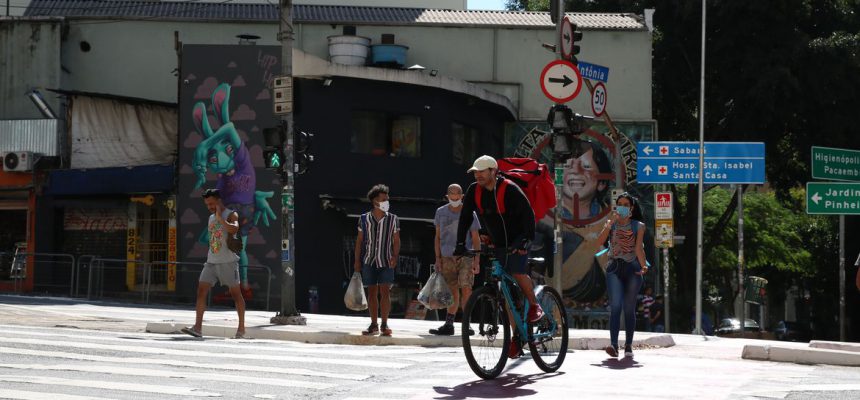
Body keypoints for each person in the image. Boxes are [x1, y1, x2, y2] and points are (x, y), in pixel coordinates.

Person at [454, 155, 543, 359]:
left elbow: (528, 214)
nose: (477, 175)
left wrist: (526, 240)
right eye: (475, 172)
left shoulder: (510, 189)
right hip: (498, 242)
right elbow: (466, 217)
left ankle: (535, 306)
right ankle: (517, 338)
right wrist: (460, 244)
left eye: (482, 171)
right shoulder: (473, 191)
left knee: (517, 272)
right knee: (505, 296)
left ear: (493, 171)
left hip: (519, 238)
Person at [182, 188, 246, 339]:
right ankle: (197, 328)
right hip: (211, 261)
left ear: (219, 200)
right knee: (201, 291)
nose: (209, 207)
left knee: (236, 295)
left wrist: (220, 218)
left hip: (228, 262)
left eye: (211, 203)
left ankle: (241, 330)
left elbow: (234, 228)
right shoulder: (211, 218)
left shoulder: (230, 214)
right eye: (207, 204)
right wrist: (215, 217)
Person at [595, 192, 648, 358]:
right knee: (616, 306)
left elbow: (639, 248)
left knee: (629, 308)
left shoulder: (639, 226)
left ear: (631, 208)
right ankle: (613, 344)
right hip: (614, 268)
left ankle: (629, 345)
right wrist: (610, 223)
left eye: (626, 204)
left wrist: (644, 265)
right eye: (620, 204)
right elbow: (599, 242)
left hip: (633, 268)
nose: (623, 207)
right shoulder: (611, 224)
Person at [430, 184, 481, 336]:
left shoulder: (469, 212)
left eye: (457, 194)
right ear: (447, 196)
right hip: (446, 256)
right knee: (451, 291)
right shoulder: (441, 212)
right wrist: (437, 258)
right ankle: (449, 323)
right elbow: (437, 237)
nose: (454, 197)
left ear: (462, 195)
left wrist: (477, 260)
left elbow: (475, 237)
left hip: (466, 255)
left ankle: (467, 324)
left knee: (466, 289)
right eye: (451, 194)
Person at [354, 184, 400, 337]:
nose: (387, 201)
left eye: (387, 199)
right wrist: (357, 261)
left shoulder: (393, 219)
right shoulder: (364, 219)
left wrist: (395, 256)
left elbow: (396, 240)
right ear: (375, 201)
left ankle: (385, 323)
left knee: (385, 292)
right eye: (383, 199)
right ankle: (373, 324)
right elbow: (359, 241)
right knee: (372, 292)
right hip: (369, 260)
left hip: (386, 260)